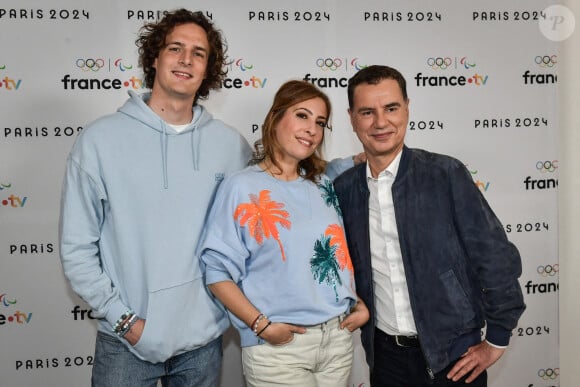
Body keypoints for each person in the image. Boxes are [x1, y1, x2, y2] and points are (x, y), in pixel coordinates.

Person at [59, 9, 252, 387]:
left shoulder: (232, 146)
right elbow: (77, 248)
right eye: (175, 48)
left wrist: (348, 168)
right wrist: (125, 322)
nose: (185, 60)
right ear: (154, 57)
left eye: (198, 53)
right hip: (125, 344)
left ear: (208, 67)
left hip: (203, 344)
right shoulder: (100, 141)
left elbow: (277, 189)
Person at [333, 65, 526, 387]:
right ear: (352, 117)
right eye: (367, 112)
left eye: (391, 108)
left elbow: (495, 256)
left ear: (407, 108)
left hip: (456, 356)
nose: (381, 122)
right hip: (385, 359)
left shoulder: (445, 174)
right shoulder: (344, 189)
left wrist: (497, 338)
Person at [199, 80, 370, 387]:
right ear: (275, 118)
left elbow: (328, 254)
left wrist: (355, 300)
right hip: (280, 350)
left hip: (337, 342)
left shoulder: (322, 184)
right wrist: (261, 327)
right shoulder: (241, 187)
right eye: (302, 116)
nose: (312, 129)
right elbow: (217, 272)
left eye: (320, 122)